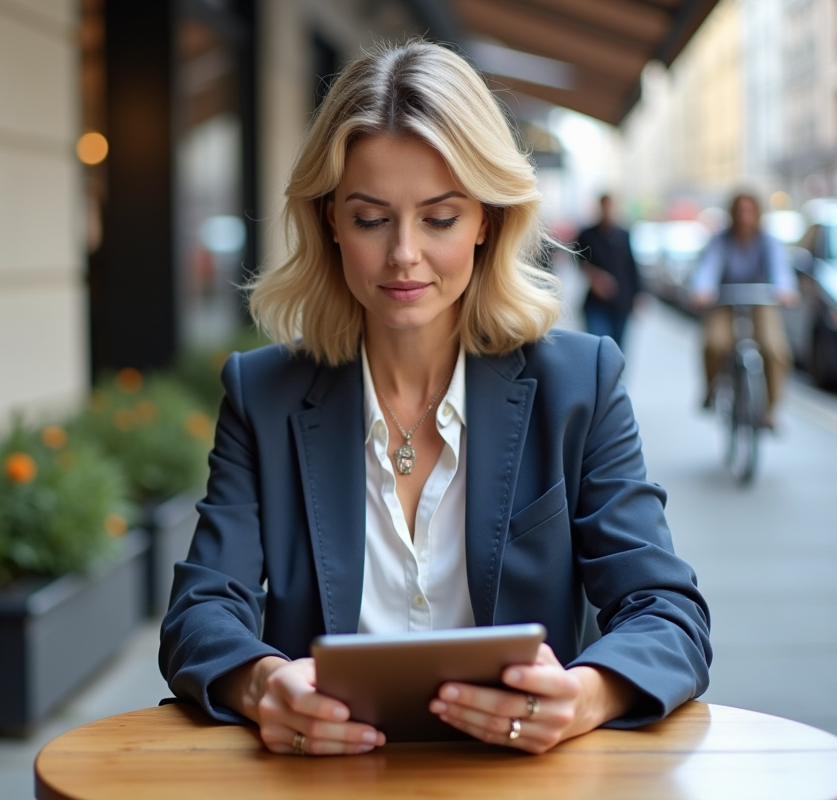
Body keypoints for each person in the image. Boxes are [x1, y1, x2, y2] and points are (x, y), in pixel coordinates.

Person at [159, 40, 711, 758]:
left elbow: (667, 612)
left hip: (521, 782)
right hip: (323, 779)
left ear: (488, 221)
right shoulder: (261, 394)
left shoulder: (580, 384)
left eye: (440, 218)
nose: (403, 254)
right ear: (330, 222)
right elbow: (200, 612)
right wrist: (263, 685)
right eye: (370, 218)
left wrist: (587, 695)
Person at [691, 193, 798, 430]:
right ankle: (711, 388)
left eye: (749, 211)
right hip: (724, 300)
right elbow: (709, 267)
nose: (744, 216)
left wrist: (785, 290)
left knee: (775, 348)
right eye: (740, 211)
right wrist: (703, 289)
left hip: (762, 300)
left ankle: (770, 410)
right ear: (732, 213)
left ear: (757, 213)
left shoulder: (768, 241)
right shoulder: (720, 241)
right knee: (714, 343)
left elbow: (780, 269)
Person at [574, 194, 641, 351]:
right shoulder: (587, 235)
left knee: (617, 349)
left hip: (621, 301)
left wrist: (638, 295)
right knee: (596, 345)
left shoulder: (623, 235)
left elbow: (631, 266)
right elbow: (578, 261)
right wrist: (595, 277)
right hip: (596, 303)